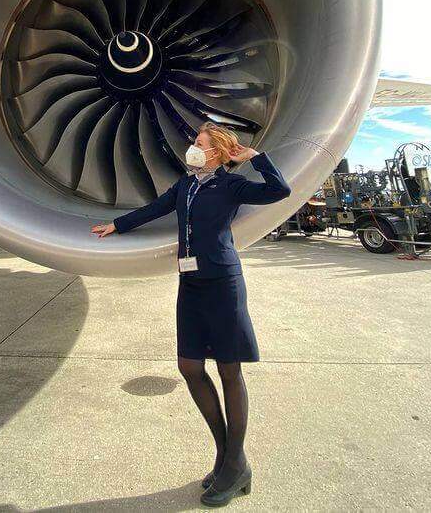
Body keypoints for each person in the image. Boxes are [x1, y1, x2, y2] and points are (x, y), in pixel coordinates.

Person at [91, 121, 291, 506]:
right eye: (193, 144)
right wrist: (116, 225)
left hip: (223, 282)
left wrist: (255, 158)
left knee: (230, 370)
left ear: (216, 152)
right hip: (191, 283)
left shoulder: (231, 185)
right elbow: (154, 209)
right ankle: (229, 457)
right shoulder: (186, 185)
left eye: (199, 144)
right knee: (189, 367)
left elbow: (279, 191)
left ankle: (232, 465)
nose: (192, 149)